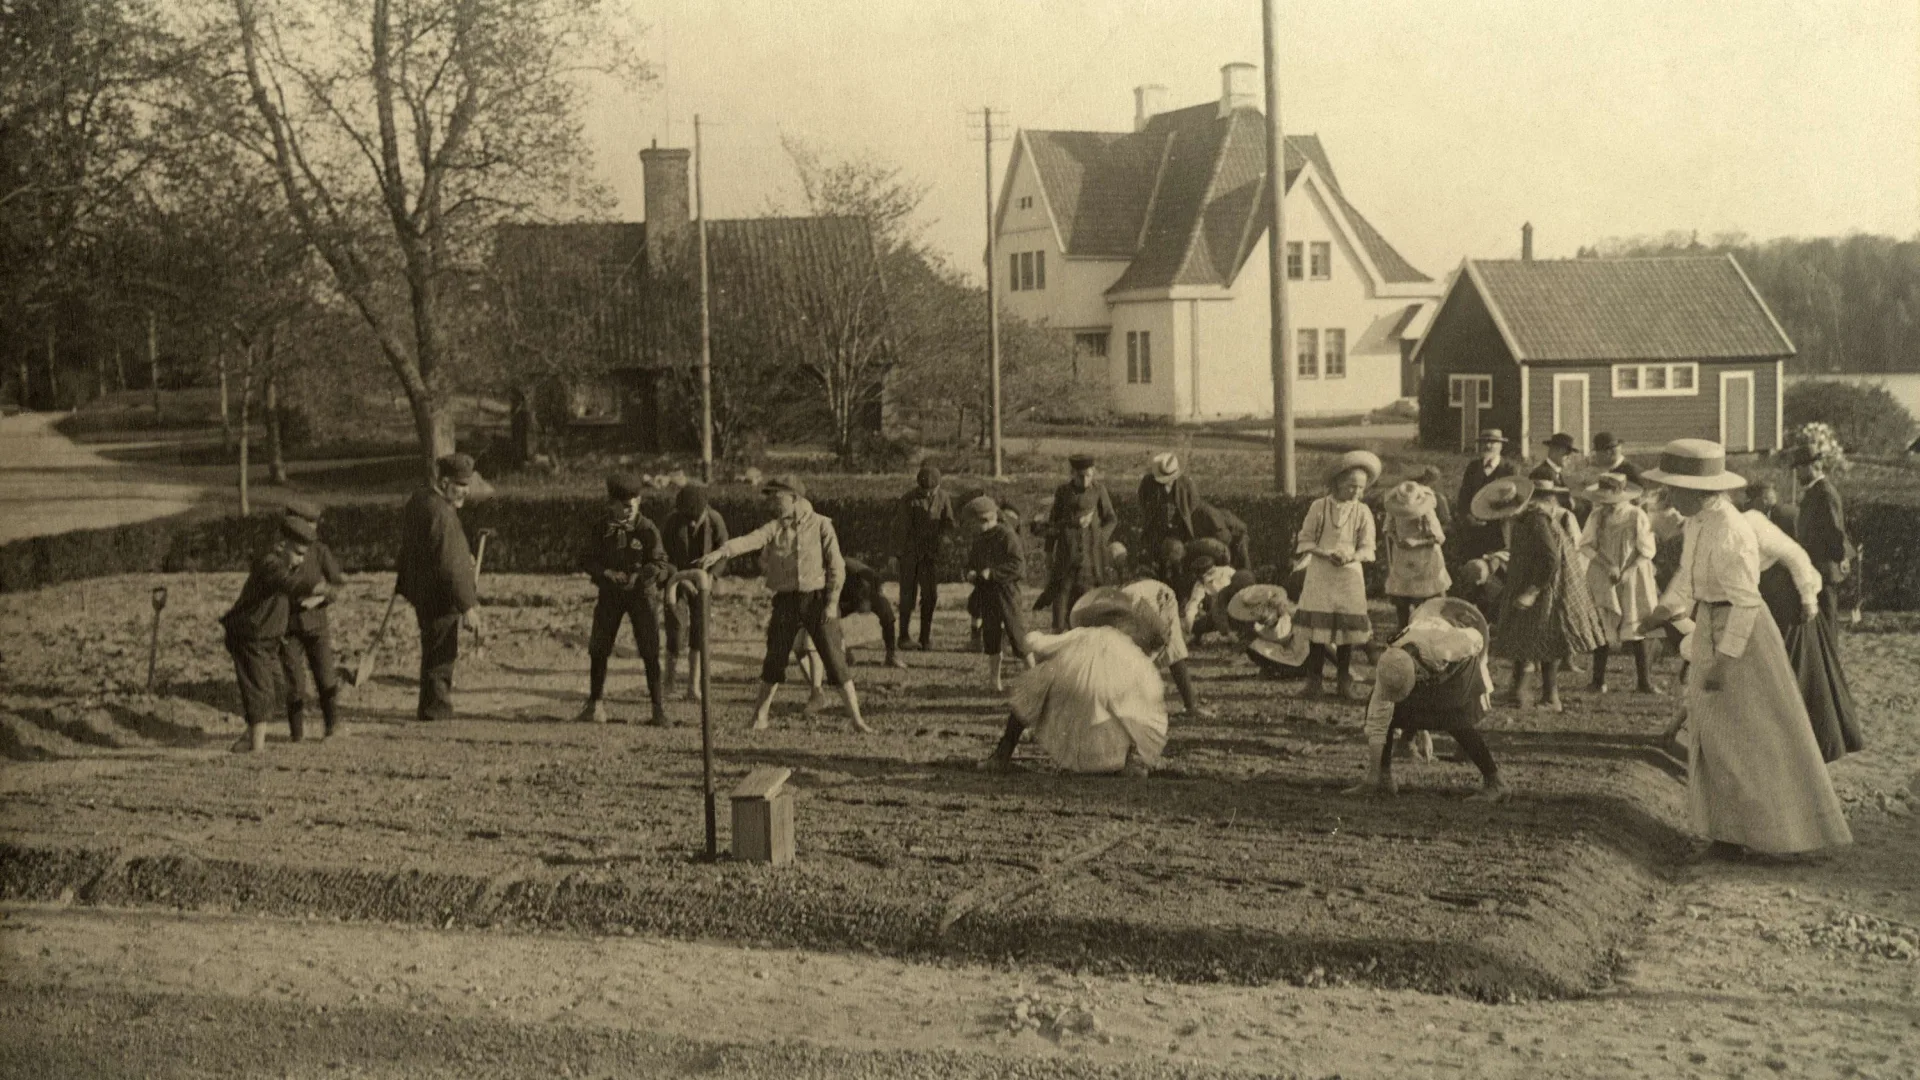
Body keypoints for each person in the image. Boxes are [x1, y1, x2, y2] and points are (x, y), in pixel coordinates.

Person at [1638, 438, 1851, 858]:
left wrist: (1724, 661)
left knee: (1750, 735)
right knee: (1714, 732)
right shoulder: (1699, 522)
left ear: (1697, 490)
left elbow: (1746, 603)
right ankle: (1727, 833)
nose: (1670, 497)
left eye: (1674, 488)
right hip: (1711, 624)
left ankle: (1777, 835)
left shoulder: (1731, 531)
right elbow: (1687, 579)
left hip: (1742, 636)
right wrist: (1662, 611)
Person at [699, 475, 872, 733]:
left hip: (817, 601)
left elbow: (837, 566)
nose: (772, 502)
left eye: (777, 497)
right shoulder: (775, 527)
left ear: (794, 498)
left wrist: (831, 602)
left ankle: (857, 720)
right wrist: (721, 552)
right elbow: (751, 539)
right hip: (785, 603)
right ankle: (760, 717)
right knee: (774, 659)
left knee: (835, 660)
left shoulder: (822, 525)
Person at [980, 591, 1169, 776]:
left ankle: (1001, 756)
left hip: (1070, 755)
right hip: (1113, 758)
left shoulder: (1085, 636)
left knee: (1040, 677)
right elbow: (1155, 719)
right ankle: (1129, 761)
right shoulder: (1137, 661)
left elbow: (1033, 642)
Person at [1743, 482, 1862, 763]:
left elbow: (1798, 556)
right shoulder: (1750, 520)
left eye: (1769, 500)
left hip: (1794, 600)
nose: (1769, 504)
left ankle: (1807, 745)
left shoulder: (1761, 520)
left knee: (1798, 670)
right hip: (1782, 599)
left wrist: (1808, 599)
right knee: (1805, 668)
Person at [1343, 598, 1506, 802]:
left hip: (1460, 666)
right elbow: (1378, 717)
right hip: (1426, 659)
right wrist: (1373, 774)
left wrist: (1446, 673)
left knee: (1451, 716)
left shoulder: (1447, 646)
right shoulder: (1391, 660)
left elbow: (1477, 639)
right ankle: (1381, 778)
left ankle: (1496, 782)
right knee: (1382, 708)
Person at [1481, 474, 1606, 712]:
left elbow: (1551, 559)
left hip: (1550, 583)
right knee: (1523, 631)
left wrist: (1532, 591)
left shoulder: (1536, 520)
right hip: (1531, 578)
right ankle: (1518, 691)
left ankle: (1551, 698)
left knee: (1549, 637)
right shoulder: (1522, 520)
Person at [578, 474, 674, 726]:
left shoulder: (647, 529)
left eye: (635, 503)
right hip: (610, 594)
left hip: (642, 595)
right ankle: (594, 705)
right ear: (612, 504)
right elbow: (586, 559)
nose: (630, 509)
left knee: (650, 649)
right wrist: (606, 573)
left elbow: (661, 563)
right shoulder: (601, 529)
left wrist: (639, 577)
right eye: (624, 505)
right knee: (599, 647)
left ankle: (658, 710)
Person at [395, 453, 481, 723]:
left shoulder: (420, 499)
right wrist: (468, 606)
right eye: (460, 485)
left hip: (422, 591)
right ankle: (436, 712)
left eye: (467, 485)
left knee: (433, 649)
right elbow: (449, 565)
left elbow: (427, 548)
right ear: (444, 483)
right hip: (440, 595)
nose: (465, 492)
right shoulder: (442, 512)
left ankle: (430, 708)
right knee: (442, 654)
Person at [1292, 450, 1380, 699]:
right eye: (1352, 486)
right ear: (1338, 482)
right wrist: (1324, 553)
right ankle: (1314, 682)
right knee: (1317, 630)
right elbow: (1305, 540)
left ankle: (1344, 682)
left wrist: (1351, 556)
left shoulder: (1362, 512)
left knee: (1346, 630)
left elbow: (1368, 546)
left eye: (1361, 488)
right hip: (1321, 572)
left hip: (1349, 576)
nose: (1356, 492)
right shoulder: (1319, 507)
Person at [222, 516, 313, 753]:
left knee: (280, 688)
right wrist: (314, 587)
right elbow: (288, 583)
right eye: (298, 553)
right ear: (281, 545)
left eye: (303, 555)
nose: (301, 560)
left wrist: (314, 600)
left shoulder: (285, 567)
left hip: (269, 640)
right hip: (250, 638)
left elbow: (289, 596)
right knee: (260, 691)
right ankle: (256, 750)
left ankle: (247, 740)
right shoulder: (269, 564)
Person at [1578, 473, 1660, 694]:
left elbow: (1647, 550)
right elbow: (1586, 545)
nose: (1607, 503)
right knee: (1603, 624)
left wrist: (1628, 570)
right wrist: (1608, 566)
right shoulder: (1597, 516)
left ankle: (1644, 682)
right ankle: (1598, 681)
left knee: (1636, 625)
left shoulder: (1636, 515)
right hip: (1603, 573)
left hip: (1633, 573)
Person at [280, 499, 346, 741]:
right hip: (287, 627)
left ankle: (333, 726)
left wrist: (324, 597)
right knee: (294, 682)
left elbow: (337, 583)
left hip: (316, 624)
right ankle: (297, 734)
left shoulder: (319, 551)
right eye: (307, 524)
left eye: (313, 524)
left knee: (325, 676)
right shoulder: (279, 552)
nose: (311, 530)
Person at [662, 482, 728, 701]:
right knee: (676, 630)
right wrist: (680, 579)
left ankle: (693, 687)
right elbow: (662, 556)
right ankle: (668, 684)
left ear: (705, 510)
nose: (691, 522)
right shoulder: (672, 522)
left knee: (700, 634)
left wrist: (711, 577)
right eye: (686, 517)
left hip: (703, 585)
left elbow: (723, 553)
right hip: (677, 582)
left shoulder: (715, 521)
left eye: (695, 518)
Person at [1040, 453, 1118, 632]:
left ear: (1094, 473)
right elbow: (1053, 523)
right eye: (1081, 476)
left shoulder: (1099, 490)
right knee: (1060, 611)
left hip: (1090, 561)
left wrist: (1100, 537)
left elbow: (1111, 519)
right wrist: (1049, 552)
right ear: (1072, 473)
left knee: (1086, 611)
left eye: (1089, 476)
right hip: (1065, 558)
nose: (1085, 481)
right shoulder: (1063, 492)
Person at [963, 495, 1030, 691]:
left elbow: (1018, 567)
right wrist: (970, 572)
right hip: (987, 594)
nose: (971, 528)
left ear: (985, 519)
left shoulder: (1006, 535)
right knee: (991, 638)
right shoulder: (979, 540)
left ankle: (1036, 679)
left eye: (973, 523)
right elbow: (971, 563)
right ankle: (994, 682)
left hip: (1007, 594)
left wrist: (993, 573)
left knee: (1018, 637)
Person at [893, 464, 955, 651]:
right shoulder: (908, 499)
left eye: (931, 491)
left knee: (930, 596)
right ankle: (903, 637)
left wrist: (946, 535)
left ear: (938, 486)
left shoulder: (943, 497)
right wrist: (896, 555)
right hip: (910, 555)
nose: (928, 494)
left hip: (930, 556)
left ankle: (925, 637)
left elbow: (948, 521)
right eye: (924, 491)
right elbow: (900, 529)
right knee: (907, 596)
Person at [1790, 444, 1855, 623]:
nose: (1797, 474)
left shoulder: (1824, 493)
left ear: (1813, 466)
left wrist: (1840, 558)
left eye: (1800, 468)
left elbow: (1835, 530)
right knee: (1821, 623)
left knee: (1827, 621)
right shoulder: (1814, 491)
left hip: (1825, 568)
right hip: (1818, 567)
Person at [1381, 480, 1450, 631]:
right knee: (1402, 598)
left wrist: (1417, 543)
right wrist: (1397, 540)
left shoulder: (1426, 512)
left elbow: (1439, 538)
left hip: (1425, 557)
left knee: (1426, 602)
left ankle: (1427, 632)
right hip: (1402, 556)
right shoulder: (1395, 510)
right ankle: (1403, 630)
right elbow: (1388, 529)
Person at [1455, 430, 1516, 560]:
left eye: (1493, 442)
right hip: (1475, 532)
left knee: (1499, 567)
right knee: (1474, 567)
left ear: (1501, 446)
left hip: (1500, 531)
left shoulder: (1510, 469)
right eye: (1484, 442)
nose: (1488, 446)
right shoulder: (1473, 467)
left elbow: (1515, 502)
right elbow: (1463, 498)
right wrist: (1468, 517)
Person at [1138, 452, 1198, 582]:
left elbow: (1193, 504)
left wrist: (1181, 518)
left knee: (1178, 559)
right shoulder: (1148, 482)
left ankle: (1177, 583)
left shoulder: (1186, 484)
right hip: (1156, 529)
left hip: (1178, 530)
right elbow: (1142, 500)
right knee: (1157, 560)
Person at [1189, 501, 1253, 571]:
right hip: (1224, 535)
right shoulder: (1195, 512)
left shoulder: (1206, 512)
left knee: (1242, 565)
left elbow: (1224, 537)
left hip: (1237, 535)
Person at [1538, 433, 1579, 511]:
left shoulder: (1556, 473)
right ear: (1555, 450)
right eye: (1567, 453)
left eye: (1570, 453)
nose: (1569, 457)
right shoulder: (1542, 473)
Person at [1413, 466, 1454, 532]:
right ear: (1435, 480)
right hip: (1429, 531)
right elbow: (1446, 520)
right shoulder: (1437, 497)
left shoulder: (1408, 492)